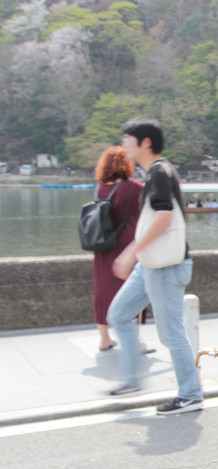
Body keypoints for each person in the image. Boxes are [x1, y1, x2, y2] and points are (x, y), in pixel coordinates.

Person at [107, 119, 204, 414]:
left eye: (128, 138)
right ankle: (132, 378)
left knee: (171, 333)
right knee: (120, 314)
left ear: (145, 142)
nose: (124, 144)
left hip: (164, 265)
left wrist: (130, 253)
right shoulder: (155, 172)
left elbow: (163, 217)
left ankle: (190, 394)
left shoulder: (159, 172)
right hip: (152, 263)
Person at [91, 146, 143, 352]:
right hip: (127, 246)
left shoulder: (99, 188)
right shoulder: (134, 187)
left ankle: (104, 338)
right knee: (134, 292)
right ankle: (135, 341)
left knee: (102, 291)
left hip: (103, 245)